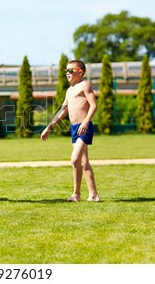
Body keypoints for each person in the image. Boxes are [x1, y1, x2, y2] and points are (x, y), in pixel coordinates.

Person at [40, 59, 100, 202]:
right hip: (74, 128)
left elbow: (93, 106)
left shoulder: (84, 85)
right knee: (84, 162)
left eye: (70, 70)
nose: (67, 73)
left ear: (80, 72)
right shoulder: (69, 90)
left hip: (83, 127)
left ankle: (76, 193)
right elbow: (63, 110)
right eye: (66, 71)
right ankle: (93, 195)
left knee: (74, 160)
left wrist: (85, 122)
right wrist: (49, 127)